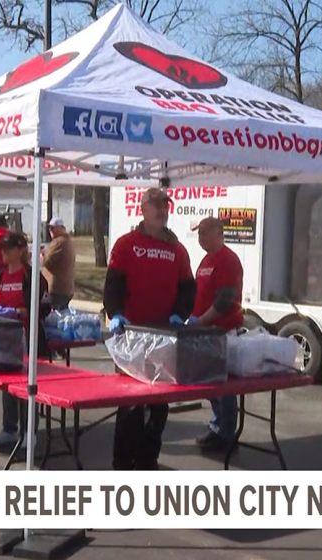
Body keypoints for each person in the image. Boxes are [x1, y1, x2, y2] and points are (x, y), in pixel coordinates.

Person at [103, 187, 196, 470]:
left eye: (164, 206)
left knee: (159, 403)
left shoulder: (177, 249)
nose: (161, 210)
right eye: (155, 205)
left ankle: (147, 461)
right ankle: (122, 463)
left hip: (165, 338)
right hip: (131, 335)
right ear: (142, 209)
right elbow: (114, 283)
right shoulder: (126, 243)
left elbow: (188, 288)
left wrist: (180, 315)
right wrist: (115, 313)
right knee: (130, 405)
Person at [0, 232, 52, 446]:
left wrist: (20, 311)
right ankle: (9, 428)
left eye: (8, 249)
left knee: (27, 387)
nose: (3, 253)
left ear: (21, 250)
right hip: (3, 340)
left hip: (27, 338)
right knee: (8, 386)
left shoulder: (32, 277)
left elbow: (45, 307)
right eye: (2, 249)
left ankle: (29, 431)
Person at [187, 216, 244, 454]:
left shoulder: (227, 260)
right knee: (211, 385)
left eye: (203, 233)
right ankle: (217, 427)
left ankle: (226, 434)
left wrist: (202, 320)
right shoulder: (206, 260)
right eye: (198, 233)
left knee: (224, 386)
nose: (199, 238)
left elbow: (224, 300)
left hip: (221, 332)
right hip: (205, 333)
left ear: (217, 232)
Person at [42, 217, 76, 310]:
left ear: (61, 228)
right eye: (49, 228)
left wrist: (41, 256)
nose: (50, 230)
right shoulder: (66, 240)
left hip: (57, 289)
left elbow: (47, 261)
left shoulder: (59, 242)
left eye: (53, 228)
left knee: (53, 318)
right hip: (65, 289)